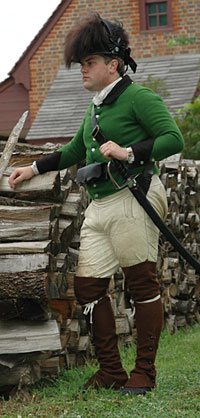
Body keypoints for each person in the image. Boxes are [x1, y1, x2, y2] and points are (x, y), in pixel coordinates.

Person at [9, 14, 184, 395]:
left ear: (113, 65)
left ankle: (144, 374)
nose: (82, 70)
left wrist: (127, 152)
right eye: (82, 63)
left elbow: (173, 139)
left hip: (133, 197)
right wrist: (33, 167)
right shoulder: (95, 108)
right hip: (100, 205)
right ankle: (111, 372)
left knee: (141, 283)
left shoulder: (139, 97)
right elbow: (73, 151)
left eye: (89, 63)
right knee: (87, 286)